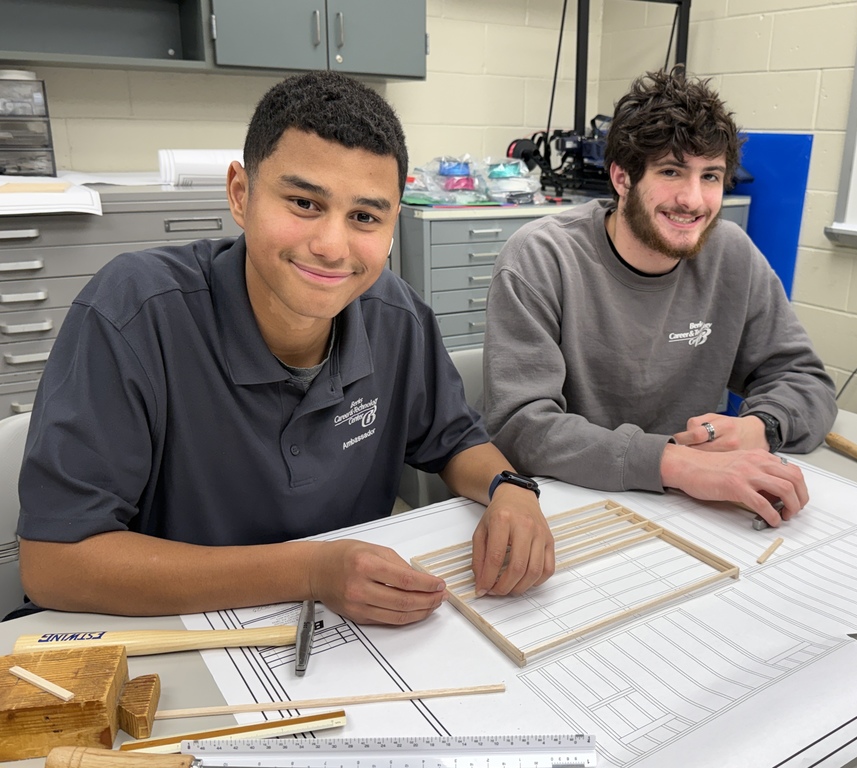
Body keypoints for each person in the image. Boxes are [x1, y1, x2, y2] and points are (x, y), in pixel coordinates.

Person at [15, 71, 553, 623]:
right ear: (241, 195)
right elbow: (56, 561)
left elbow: (454, 439)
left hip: (339, 636)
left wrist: (509, 487)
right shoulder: (134, 312)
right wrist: (311, 573)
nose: (330, 246)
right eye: (303, 203)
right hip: (167, 631)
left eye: (365, 217)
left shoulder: (397, 318)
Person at [483, 68, 837, 528]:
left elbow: (805, 380)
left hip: (693, 510)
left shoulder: (731, 255)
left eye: (710, 176)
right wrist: (681, 465)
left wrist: (760, 427)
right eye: (671, 172)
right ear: (622, 178)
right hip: (569, 504)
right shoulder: (542, 257)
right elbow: (521, 428)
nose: (693, 200)